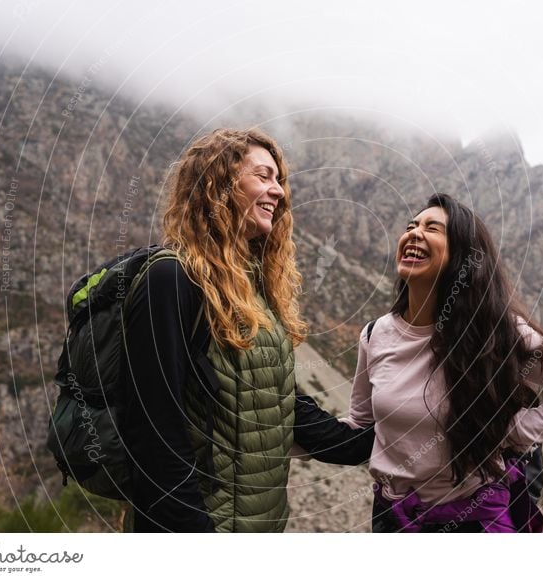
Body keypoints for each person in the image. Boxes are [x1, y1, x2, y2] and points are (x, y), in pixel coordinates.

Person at [121, 128, 373, 532]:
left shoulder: (253, 285)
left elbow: (275, 400)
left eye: (279, 180)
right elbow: (155, 432)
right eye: (263, 176)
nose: (279, 192)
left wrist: (368, 442)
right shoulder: (170, 280)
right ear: (218, 185)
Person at [344, 193, 543, 533]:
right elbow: (359, 423)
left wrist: (508, 430)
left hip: (472, 522)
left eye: (432, 228)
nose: (414, 233)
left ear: (461, 257)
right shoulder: (375, 335)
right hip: (393, 520)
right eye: (411, 226)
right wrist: (280, 430)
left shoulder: (500, 332)